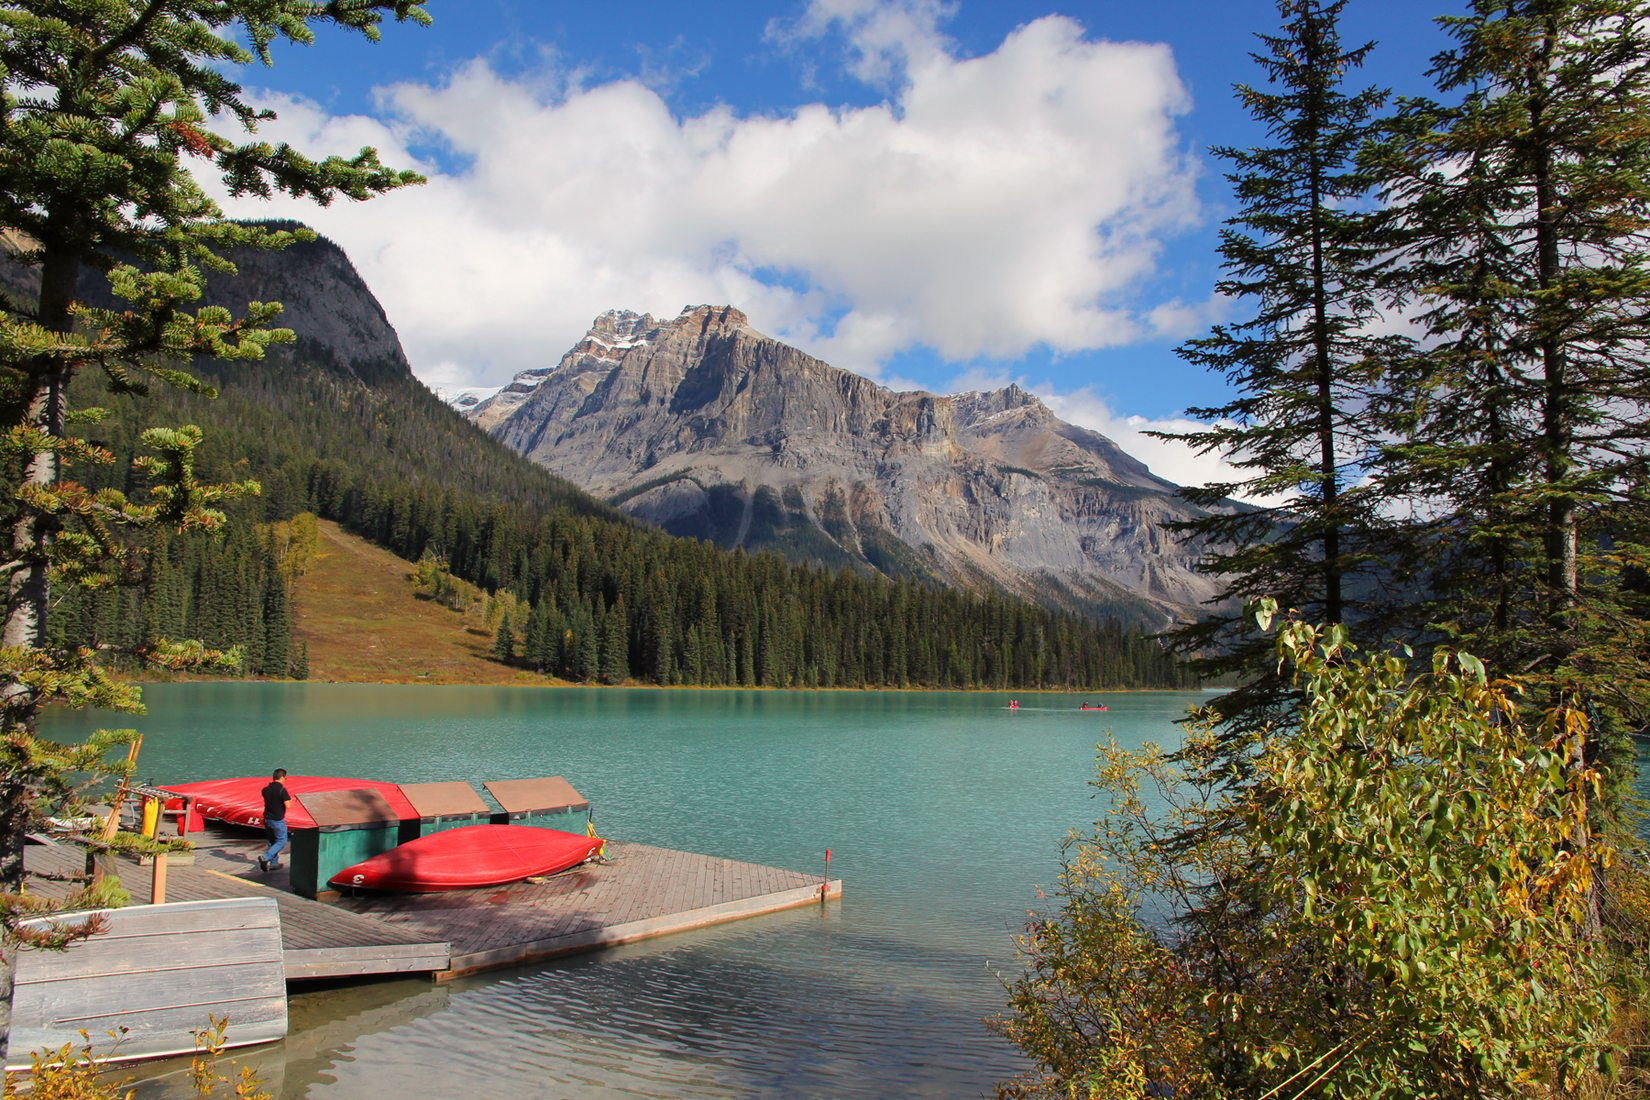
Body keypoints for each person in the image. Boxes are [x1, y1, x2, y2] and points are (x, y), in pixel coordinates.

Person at [258, 768, 292, 872]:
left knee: (271, 841)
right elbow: (288, 805)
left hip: (267, 818)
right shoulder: (282, 790)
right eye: (285, 778)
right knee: (282, 840)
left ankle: (274, 863)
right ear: (282, 777)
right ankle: (265, 857)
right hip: (277, 819)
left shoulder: (265, 789)